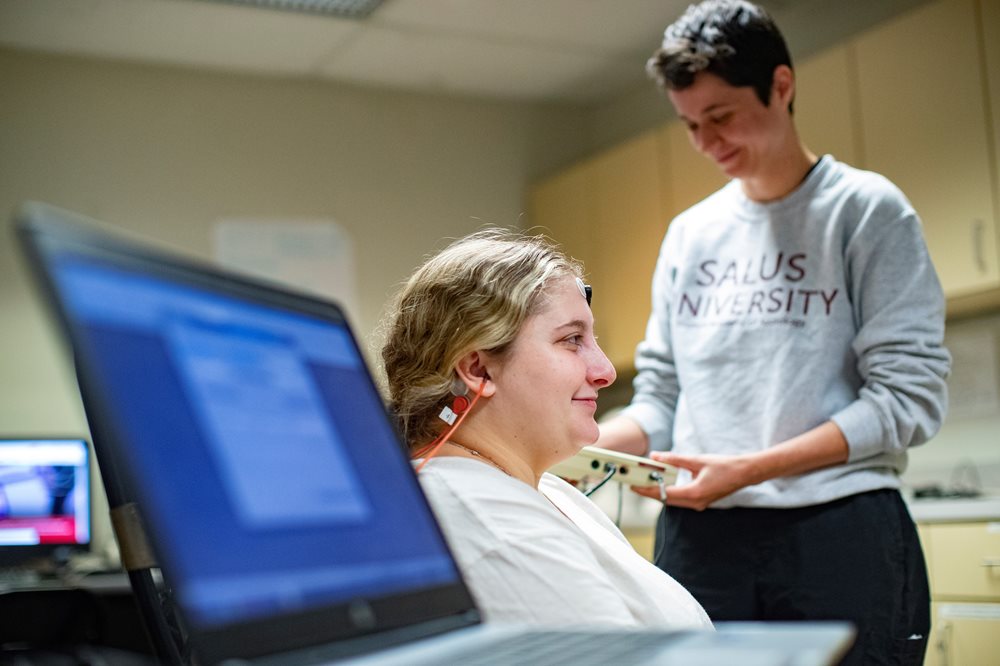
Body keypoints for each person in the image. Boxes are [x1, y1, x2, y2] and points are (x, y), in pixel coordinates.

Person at [595, 1, 951, 663]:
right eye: (690, 125)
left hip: (837, 528)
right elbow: (662, 398)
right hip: (701, 538)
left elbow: (908, 401)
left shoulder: (865, 211)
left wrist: (749, 470)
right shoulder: (690, 236)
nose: (706, 143)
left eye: (722, 116)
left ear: (781, 86)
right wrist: (570, 446)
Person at [380, 229, 712, 630]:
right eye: (572, 340)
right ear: (478, 370)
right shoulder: (479, 509)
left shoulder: (544, 490)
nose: (605, 371)